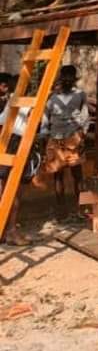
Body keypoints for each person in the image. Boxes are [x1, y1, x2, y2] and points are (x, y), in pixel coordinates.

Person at [41, 64, 90, 220]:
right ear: (61, 78)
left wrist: (83, 133)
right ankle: (61, 211)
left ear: (74, 78)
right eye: (65, 77)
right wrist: (44, 136)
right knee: (58, 176)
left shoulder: (80, 95)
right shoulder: (52, 97)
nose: (68, 80)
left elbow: (85, 115)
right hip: (56, 139)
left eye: (70, 76)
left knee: (77, 175)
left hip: (74, 138)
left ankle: (79, 209)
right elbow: (45, 117)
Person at [0, 72, 38, 245]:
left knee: (4, 189)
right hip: (20, 143)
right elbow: (41, 127)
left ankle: (4, 231)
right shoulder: (31, 103)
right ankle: (11, 231)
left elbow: (1, 119)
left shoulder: (11, 102)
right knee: (15, 190)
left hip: (5, 141)